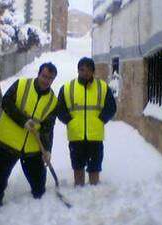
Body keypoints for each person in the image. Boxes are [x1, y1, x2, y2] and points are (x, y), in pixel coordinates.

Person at [0, 62, 58, 215]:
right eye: (44, 76)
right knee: (0, 177)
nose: (46, 80)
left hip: (32, 147)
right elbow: (5, 102)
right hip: (9, 142)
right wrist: (23, 120)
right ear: (39, 74)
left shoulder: (53, 101)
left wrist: (47, 150)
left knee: (39, 185)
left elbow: (48, 128)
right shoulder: (21, 85)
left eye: (50, 78)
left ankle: (38, 209)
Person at [57, 57, 116, 186]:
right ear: (78, 70)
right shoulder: (67, 88)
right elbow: (60, 109)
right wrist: (70, 121)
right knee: (77, 167)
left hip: (95, 136)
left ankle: (93, 194)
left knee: (94, 167)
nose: (85, 72)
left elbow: (111, 108)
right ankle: (79, 192)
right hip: (76, 136)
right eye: (82, 69)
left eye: (89, 70)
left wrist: (101, 120)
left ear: (93, 71)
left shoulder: (103, 87)